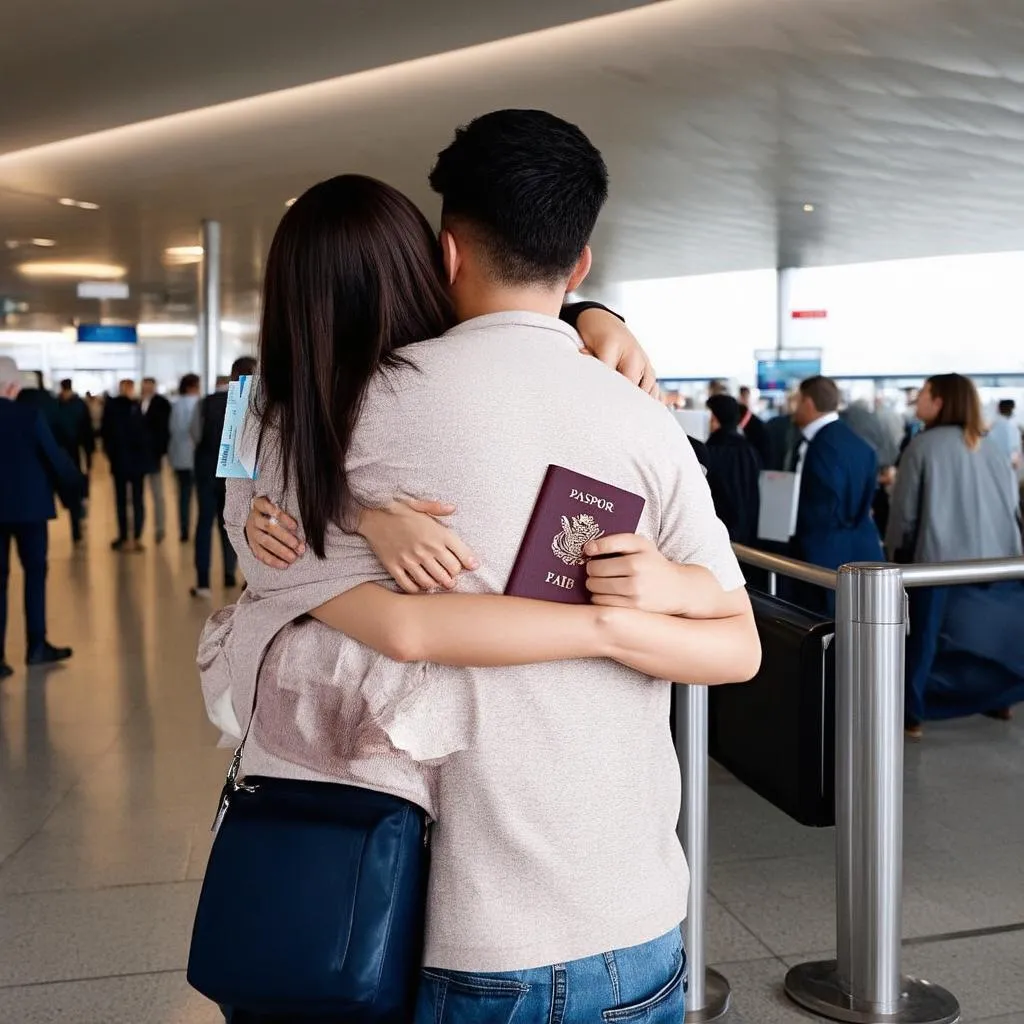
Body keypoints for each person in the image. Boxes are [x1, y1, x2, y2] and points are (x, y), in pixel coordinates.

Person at [207, 113, 758, 1024]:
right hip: (645, 914)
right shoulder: (641, 411)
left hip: (478, 929)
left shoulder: (344, 415)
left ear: (447, 253)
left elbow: (295, 562)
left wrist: (344, 514)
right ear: (579, 261)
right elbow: (738, 645)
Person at [886, 374, 1024, 738]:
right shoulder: (990, 446)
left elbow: (905, 515)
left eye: (924, 394)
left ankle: (912, 715)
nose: (918, 401)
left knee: (924, 641)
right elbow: (1011, 506)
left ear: (941, 400)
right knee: (991, 638)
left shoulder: (923, 445)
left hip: (937, 565)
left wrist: (895, 555)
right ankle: (999, 699)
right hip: (996, 561)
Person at [0, 357, 82, 679]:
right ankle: (36, 646)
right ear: (14, 386)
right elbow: (55, 459)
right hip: (30, 509)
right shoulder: (30, 414)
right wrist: (76, 491)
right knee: (35, 574)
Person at [789, 375, 884, 610]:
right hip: (862, 551)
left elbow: (821, 509)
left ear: (808, 403)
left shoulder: (820, 448)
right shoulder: (859, 443)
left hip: (822, 561)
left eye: (797, 401)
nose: (793, 407)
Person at [190, 360, 253, 597]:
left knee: (205, 524)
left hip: (207, 472)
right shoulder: (251, 404)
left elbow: (195, 434)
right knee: (235, 525)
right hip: (237, 475)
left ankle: (203, 582)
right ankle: (232, 574)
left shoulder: (205, 403)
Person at [704, 394, 762, 545]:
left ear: (716, 418)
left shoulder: (713, 450)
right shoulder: (748, 448)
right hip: (747, 529)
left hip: (722, 530)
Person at [102, 380, 148, 552]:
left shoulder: (113, 407)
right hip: (134, 461)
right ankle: (134, 536)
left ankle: (125, 536)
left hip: (121, 461)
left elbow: (106, 434)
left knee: (123, 500)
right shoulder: (137, 407)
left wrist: (111, 454)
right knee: (136, 500)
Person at [54, 379, 95, 545]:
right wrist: (89, 454)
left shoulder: (57, 405)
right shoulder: (79, 405)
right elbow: (88, 431)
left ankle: (77, 522)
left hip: (63, 454)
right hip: (76, 453)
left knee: (73, 490)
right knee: (77, 488)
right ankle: (78, 518)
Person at [169, 373, 202, 543]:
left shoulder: (175, 404)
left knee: (184, 495)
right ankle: (198, 529)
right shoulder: (198, 403)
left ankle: (184, 529)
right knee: (200, 497)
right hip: (196, 457)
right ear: (192, 387)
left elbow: (172, 429)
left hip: (179, 458)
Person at [140, 378, 172, 544]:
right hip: (138, 456)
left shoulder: (162, 403)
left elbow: (165, 430)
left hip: (154, 455)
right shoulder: (137, 403)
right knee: (138, 497)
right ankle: (138, 529)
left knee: (157, 493)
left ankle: (160, 528)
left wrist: (161, 451)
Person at [988, 399, 1022, 470]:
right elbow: (1014, 448)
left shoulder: (993, 426)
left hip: (994, 465)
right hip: (1008, 465)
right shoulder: (1012, 427)